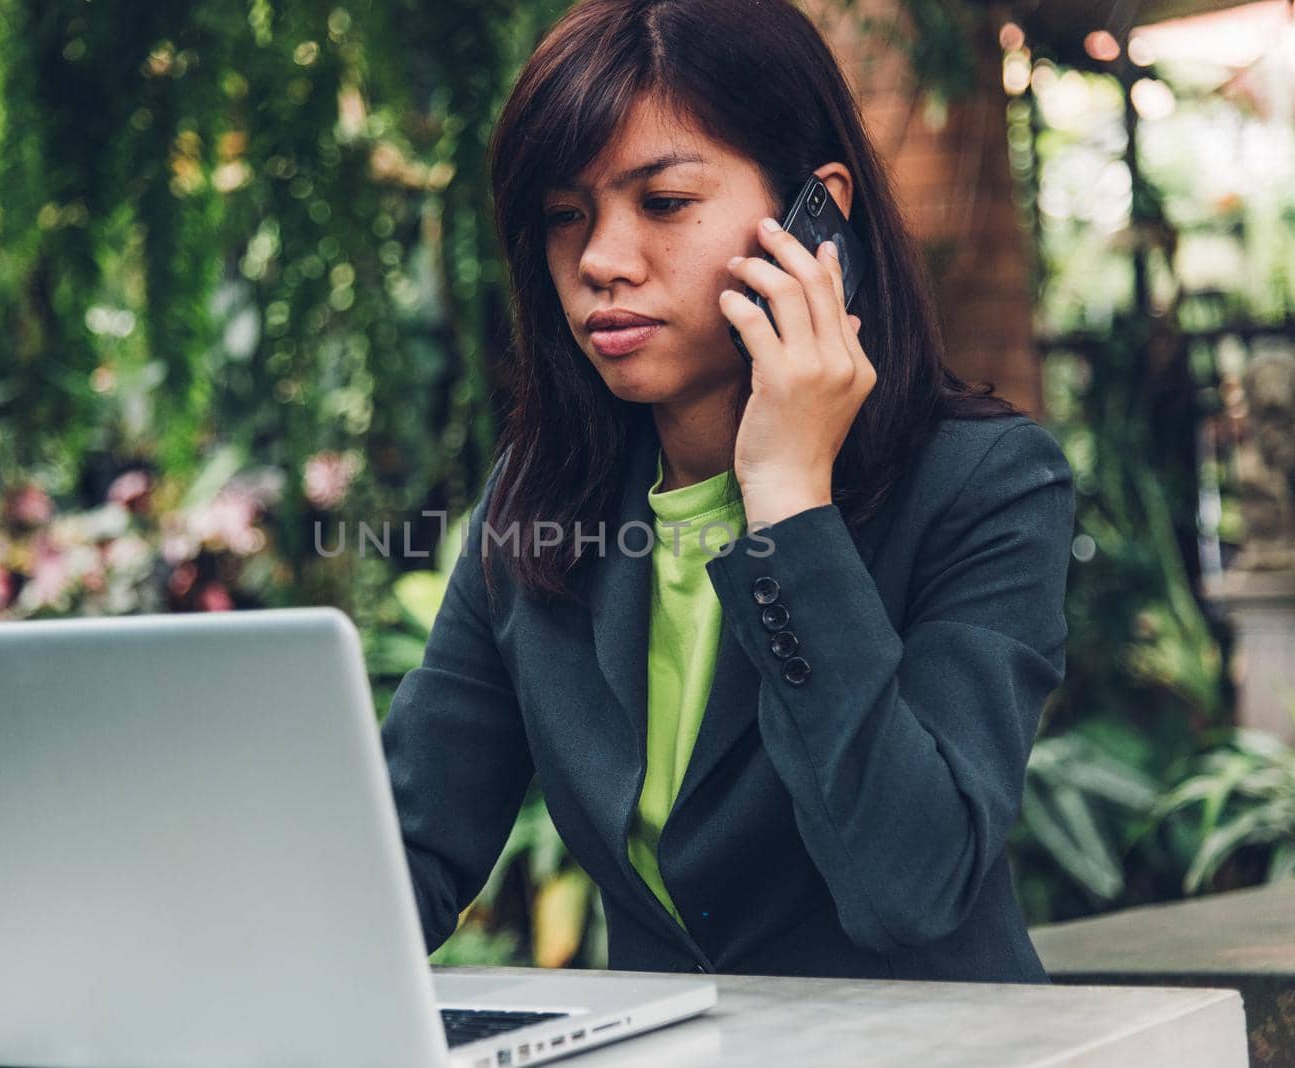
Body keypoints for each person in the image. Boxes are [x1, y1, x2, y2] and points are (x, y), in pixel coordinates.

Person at [380, 0, 1074, 983]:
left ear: (814, 219)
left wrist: (789, 501)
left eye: (663, 202)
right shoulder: (538, 503)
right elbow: (408, 851)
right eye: (564, 215)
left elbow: (909, 887)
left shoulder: (984, 487)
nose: (600, 261)